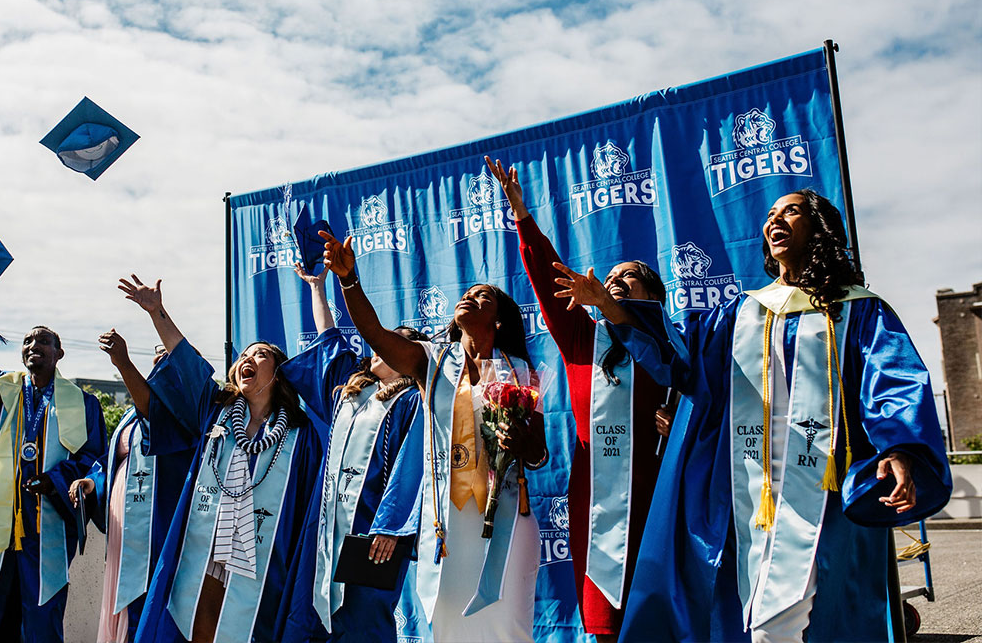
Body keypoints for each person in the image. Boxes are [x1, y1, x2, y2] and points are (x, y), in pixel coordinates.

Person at [557, 190, 953, 642]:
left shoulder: (858, 310)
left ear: (819, 227)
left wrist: (899, 446)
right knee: (751, 618)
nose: (775, 220)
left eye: (791, 211)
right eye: (769, 215)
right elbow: (679, 360)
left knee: (795, 623)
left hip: (822, 496)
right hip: (746, 496)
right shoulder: (740, 313)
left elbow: (893, 380)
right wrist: (610, 308)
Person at [321, 230, 548, 643]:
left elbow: (538, 455)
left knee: (507, 631)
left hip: (507, 524)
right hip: (448, 528)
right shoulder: (432, 360)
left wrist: (518, 441)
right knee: (450, 633)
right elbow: (374, 333)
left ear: (498, 320)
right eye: (468, 292)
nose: (469, 297)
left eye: (483, 297)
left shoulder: (521, 371)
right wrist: (348, 281)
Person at [486, 155, 670, 643]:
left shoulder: (674, 345)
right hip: (597, 496)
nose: (613, 282)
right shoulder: (583, 341)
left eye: (628, 278)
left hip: (659, 491)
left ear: (653, 297)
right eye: (609, 279)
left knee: (662, 614)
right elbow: (550, 279)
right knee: (606, 624)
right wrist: (522, 215)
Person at [132, 292, 327, 643]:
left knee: (248, 623)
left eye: (260, 355)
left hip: (264, 558)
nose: (247, 359)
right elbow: (187, 363)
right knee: (195, 615)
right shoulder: (215, 411)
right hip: (204, 543)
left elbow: (306, 511)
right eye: (244, 355)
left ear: (280, 376)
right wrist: (157, 312)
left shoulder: (301, 438)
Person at [0, 285, 108, 643]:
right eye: (28, 342)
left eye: (44, 341)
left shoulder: (83, 404)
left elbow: (94, 459)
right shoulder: (1, 393)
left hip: (44, 523)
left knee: (41, 611)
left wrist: (57, 480)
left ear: (59, 353)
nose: (34, 346)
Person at [282, 263, 428, 642]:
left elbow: (411, 469)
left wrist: (391, 527)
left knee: (363, 622)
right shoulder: (350, 388)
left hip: (371, 531)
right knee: (307, 618)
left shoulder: (414, 401)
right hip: (325, 526)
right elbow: (329, 338)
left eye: (390, 342)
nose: (376, 348)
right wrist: (317, 287)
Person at [68, 276, 197, 643]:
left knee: (151, 610)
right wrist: (93, 482)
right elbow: (114, 467)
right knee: (124, 613)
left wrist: (123, 363)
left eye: (167, 359)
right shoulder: (126, 418)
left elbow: (154, 415)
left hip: (159, 525)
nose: (160, 363)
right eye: (155, 358)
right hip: (124, 533)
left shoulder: (185, 413)